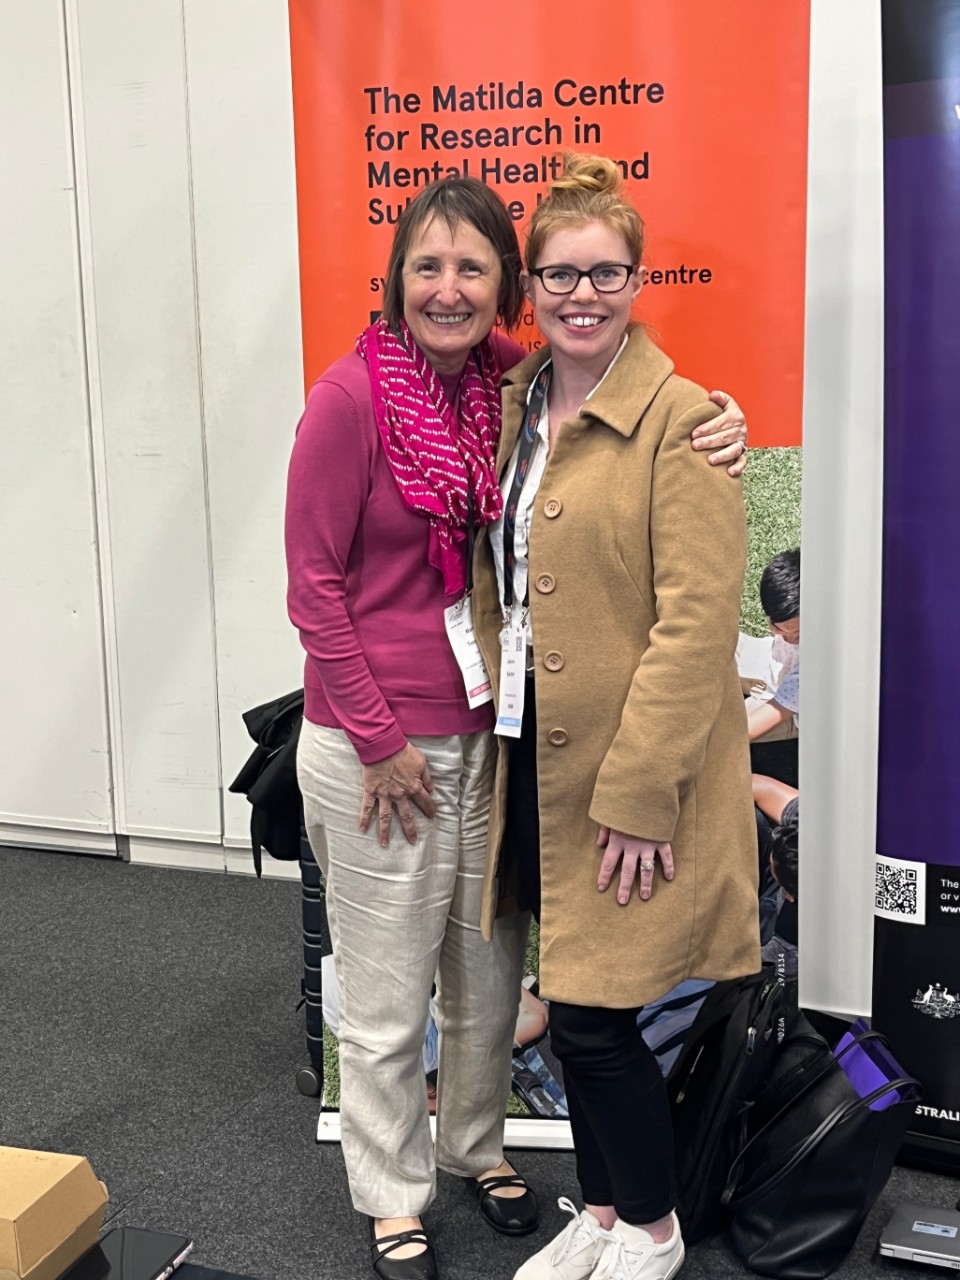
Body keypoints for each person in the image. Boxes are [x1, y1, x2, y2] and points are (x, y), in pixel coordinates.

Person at [285, 174, 749, 1280]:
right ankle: (400, 1198)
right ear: (397, 278)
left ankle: (486, 1154)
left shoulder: (515, 386)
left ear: (507, 293)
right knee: (394, 991)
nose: (448, 289)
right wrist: (380, 734)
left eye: (473, 268)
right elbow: (313, 588)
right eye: (427, 266)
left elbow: (684, 588)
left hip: (502, 741)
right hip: (379, 745)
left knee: (492, 984)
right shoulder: (353, 400)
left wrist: (717, 415)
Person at [471, 154, 761, 1280]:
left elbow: (698, 628)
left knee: (591, 1019)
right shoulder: (520, 401)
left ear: (638, 278)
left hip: (635, 776)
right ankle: (597, 1210)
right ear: (531, 285)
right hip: (538, 757)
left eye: (605, 272)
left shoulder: (686, 422)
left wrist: (641, 794)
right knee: (577, 998)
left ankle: (652, 1224)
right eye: (558, 273)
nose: (580, 293)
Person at [746, 548, 801, 742]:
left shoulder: (813, 668)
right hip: (774, 662)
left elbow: (748, 730)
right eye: (780, 630)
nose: (789, 639)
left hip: (791, 709)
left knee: (718, 730)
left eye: (799, 634)